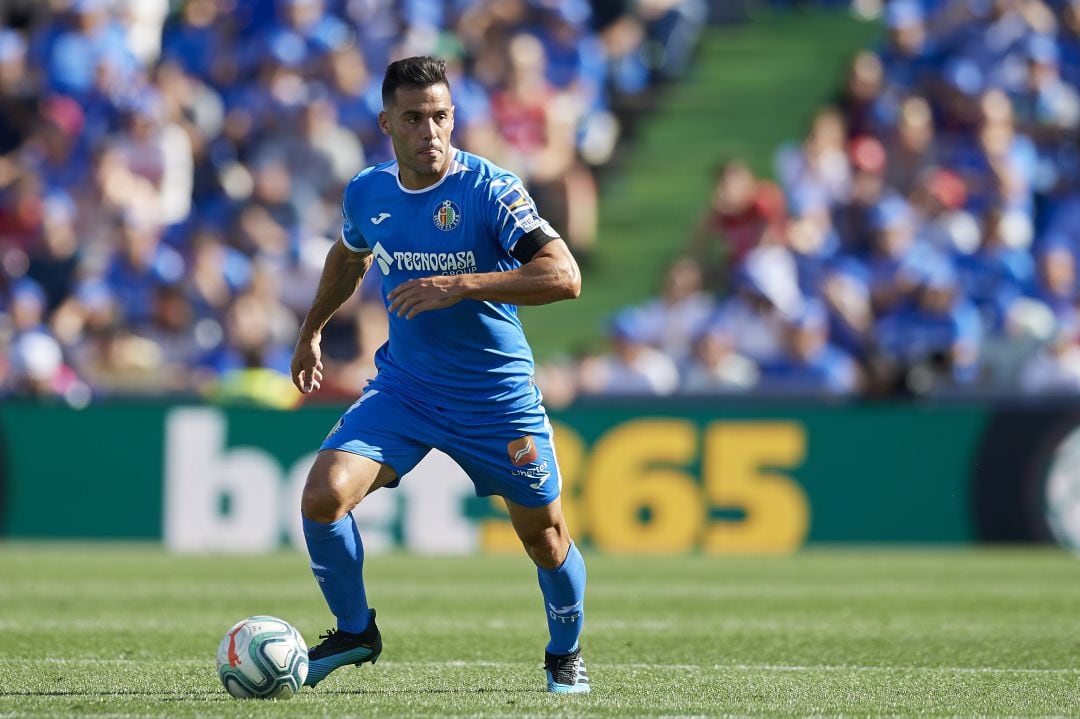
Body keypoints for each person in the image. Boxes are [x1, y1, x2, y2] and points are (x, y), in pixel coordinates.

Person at [288, 56, 589, 694]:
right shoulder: (368, 192)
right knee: (322, 496)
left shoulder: (491, 190)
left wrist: (462, 285)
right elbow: (348, 256)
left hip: (495, 398)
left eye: (442, 116)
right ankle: (354, 631)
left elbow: (565, 276)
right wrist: (311, 329)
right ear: (387, 124)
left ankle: (564, 653)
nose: (431, 131)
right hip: (407, 390)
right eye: (415, 118)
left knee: (546, 539)